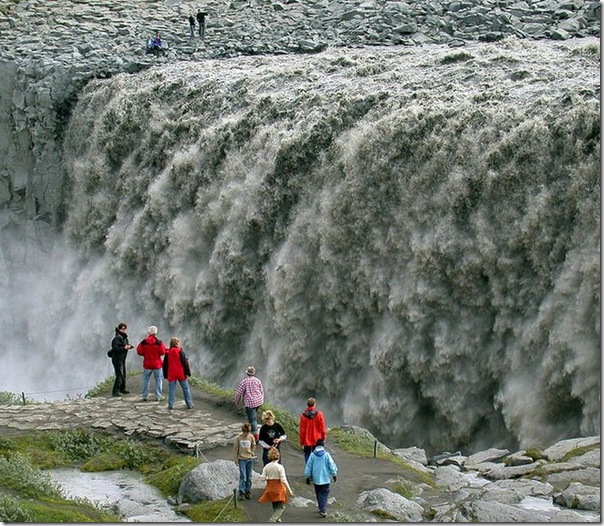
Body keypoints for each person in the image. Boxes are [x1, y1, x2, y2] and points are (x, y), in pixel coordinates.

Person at [258, 447, 294, 522]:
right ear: (278, 457)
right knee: (281, 506)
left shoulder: (267, 467)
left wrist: (268, 478)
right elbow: (283, 480)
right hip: (278, 488)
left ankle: (278, 519)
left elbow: (262, 478)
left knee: (275, 504)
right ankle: (272, 520)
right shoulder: (280, 467)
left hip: (270, 488)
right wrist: (289, 490)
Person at [304, 439, 338, 518]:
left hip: (316, 479)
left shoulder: (312, 455)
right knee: (324, 494)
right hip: (325, 479)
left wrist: (307, 477)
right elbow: (331, 465)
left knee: (318, 494)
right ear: (323, 445)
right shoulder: (326, 455)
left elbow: (308, 466)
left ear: (316, 445)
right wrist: (334, 474)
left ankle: (321, 507)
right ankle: (323, 509)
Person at [162, 336, 193, 410]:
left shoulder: (167, 353)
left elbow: (165, 365)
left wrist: (165, 375)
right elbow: (185, 363)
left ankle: (170, 405)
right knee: (185, 389)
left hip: (171, 374)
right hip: (181, 374)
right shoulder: (180, 351)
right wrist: (188, 372)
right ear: (177, 343)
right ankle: (189, 404)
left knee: (171, 390)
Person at [136, 326, 167, 401]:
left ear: (148, 332)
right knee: (158, 380)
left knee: (145, 379)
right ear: (156, 333)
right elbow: (163, 352)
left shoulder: (144, 342)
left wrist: (145, 354)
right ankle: (158, 396)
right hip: (157, 364)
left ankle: (145, 396)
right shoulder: (159, 342)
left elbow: (139, 351)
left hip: (147, 364)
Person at [234, 366, 264, 441]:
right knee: (253, 416)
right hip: (259, 401)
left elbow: (238, 393)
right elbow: (262, 391)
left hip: (250, 403)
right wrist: (262, 399)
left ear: (247, 373)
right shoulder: (257, 380)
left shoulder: (244, 382)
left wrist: (237, 401)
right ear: (254, 373)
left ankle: (256, 438)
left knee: (252, 419)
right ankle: (251, 429)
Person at [299, 397, 327, 463]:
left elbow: (302, 430)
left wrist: (301, 442)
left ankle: (309, 471)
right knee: (318, 457)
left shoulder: (303, 416)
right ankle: (316, 470)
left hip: (306, 440)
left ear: (307, 405)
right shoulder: (319, 414)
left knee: (307, 456)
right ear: (314, 404)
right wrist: (323, 437)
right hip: (317, 440)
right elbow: (322, 428)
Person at [233, 422, 256, 500]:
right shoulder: (238, 438)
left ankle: (248, 490)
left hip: (249, 458)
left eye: (248, 432)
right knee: (243, 475)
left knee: (249, 476)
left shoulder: (251, 437)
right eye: (246, 432)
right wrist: (235, 459)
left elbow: (254, 445)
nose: (247, 434)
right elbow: (236, 448)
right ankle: (241, 491)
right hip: (241, 459)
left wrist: (252, 452)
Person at [110, 322, 133, 397]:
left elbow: (124, 345)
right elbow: (115, 348)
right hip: (117, 359)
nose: (124, 330)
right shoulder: (117, 338)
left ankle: (122, 389)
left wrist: (129, 346)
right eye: (123, 329)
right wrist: (124, 348)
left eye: (125, 329)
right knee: (119, 375)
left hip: (122, 358)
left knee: (123, 374)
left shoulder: (124, 337)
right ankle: (115, 391)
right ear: (119, 329)